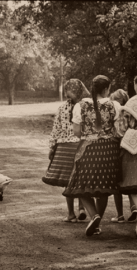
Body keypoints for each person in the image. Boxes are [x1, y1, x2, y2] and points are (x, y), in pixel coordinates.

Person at [63, 75, 121, 236]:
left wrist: (89, 134)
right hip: (109, 151)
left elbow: (76, 131)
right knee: (103, 187)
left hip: (88, 149)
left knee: (79, 186)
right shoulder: (114, 105)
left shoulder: (80, 106)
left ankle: (93, 215)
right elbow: (118, 130)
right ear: (106, 89)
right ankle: (96, 223)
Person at [42, 79, 89, 223]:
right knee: (80, 179)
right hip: (81, 145)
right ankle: (82, 208)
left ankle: (71, 214)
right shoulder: (86, 107)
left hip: (64, 148)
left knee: (68, 182)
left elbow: (56, 129)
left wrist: (52, 147)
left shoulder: (62, 108)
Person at [108, 89, 137, 223]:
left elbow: (120, 130)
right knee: (133, 179)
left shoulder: (126, 107)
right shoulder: (130, 103)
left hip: (125, 146)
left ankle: (121, 213)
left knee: (123, 180)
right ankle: (133, 207)